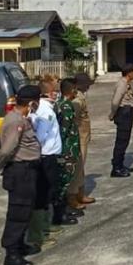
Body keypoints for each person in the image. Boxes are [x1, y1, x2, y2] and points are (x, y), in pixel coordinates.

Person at [0, 84, 42, 265]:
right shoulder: (16, 121)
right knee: (18, 212)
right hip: (20, 171)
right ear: (31, 103)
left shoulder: (22, 118)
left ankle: (20, 245)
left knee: (25, 210)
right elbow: (7, 149)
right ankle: (12, 254)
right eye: (37, 101)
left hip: (27, 171)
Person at [30, 77, 77, 247]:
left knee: (48, 193)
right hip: (46, 157)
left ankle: (46, 226)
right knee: (44, 195)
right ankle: (41, 232)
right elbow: (40, 137)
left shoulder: (46, 108)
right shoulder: (46, 112)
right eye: (54, 91)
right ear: (48, 93)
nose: (57, 94)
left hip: (49, 156)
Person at [55, 79, 81, 218]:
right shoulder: (65, 106)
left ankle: (64, 208)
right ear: (71, 91)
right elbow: (63, 130)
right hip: (67, 150)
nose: (76, 92)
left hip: (69, 148)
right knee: (64, 181)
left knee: (65, 181)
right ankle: (61, 212)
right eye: (75, 89)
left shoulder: (62, 104)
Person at [69, 73, 95, 207]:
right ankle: (72, 197)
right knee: (77, 169)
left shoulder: (80, 96)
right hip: (78, 137)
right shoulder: (77, 100)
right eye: (87, 84)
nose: (88, 87)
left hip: (83, 136)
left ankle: (80, 194)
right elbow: (73, 119)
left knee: (81, 169)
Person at [109, 64, 133, 178]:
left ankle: (120, 164)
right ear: (129, 73)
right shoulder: (122, 84)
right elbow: (116, 101)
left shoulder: (126, 83)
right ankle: (116, 168)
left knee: (125, 140)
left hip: (127, 113)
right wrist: (112, 114)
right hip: (123, 114)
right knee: (121, 141)